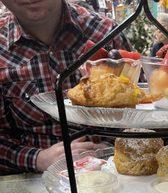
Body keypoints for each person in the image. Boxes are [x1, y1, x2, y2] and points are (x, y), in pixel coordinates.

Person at [0, 0, 131, 174]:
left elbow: (142, 113)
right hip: (32, 178)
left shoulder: (106, 33)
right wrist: (37, 159)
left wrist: (114, 147)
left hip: (116, 173)